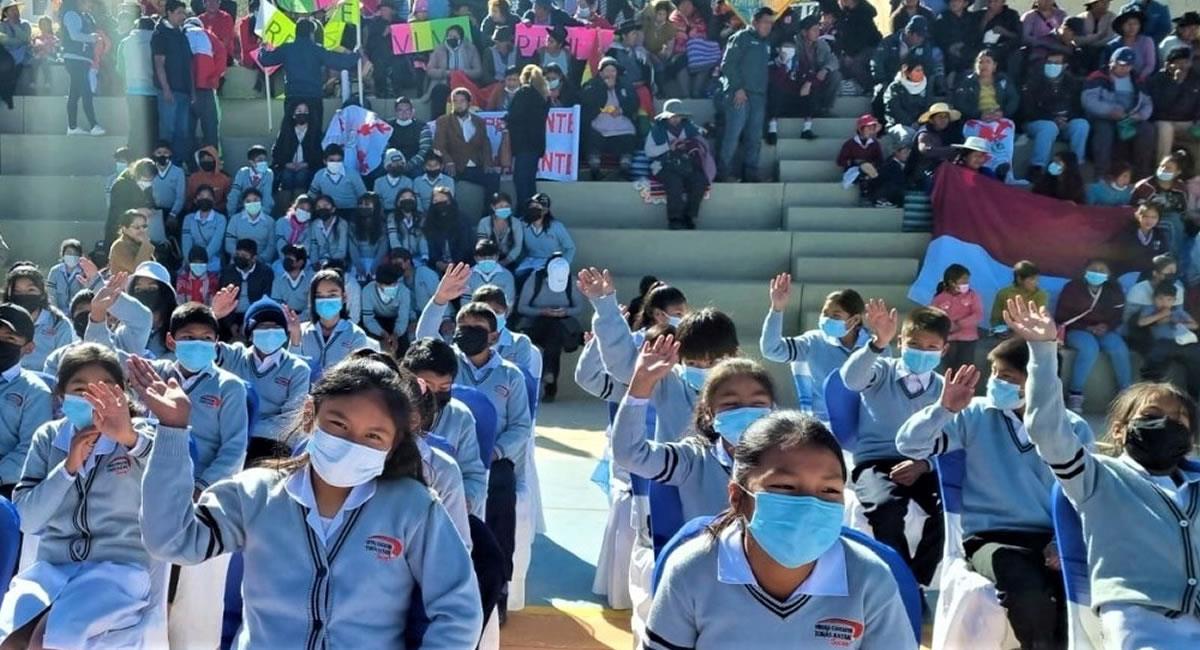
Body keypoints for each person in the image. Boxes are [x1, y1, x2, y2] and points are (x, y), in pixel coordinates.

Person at [137, 356, 483, 647]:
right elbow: (171, 540)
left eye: (373, 436)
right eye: (338, 424)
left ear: (392, 445)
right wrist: (172, 430)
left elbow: (459, 610)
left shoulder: (414, 508)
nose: (352, 443)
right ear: (309, 416)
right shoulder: (256, 493)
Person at [1006, 297, 1200, 648]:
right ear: (1121, 429)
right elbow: (1048, 429)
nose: (1166, 424)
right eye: (1152, 414)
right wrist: (1043, 351)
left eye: (1178, 421)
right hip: (1142, 622)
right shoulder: (1097, 480)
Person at [646, 409, 915, 649]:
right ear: (737, 497)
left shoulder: (869, 578)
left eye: (829, 490)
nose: (810, 506)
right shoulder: (693, 570)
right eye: (785, 487)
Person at [896, 340, 1094, 649]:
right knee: (1026, 591)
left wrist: (1060, 542)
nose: (997, 383)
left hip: (1050, 537)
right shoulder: (974, 414)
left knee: (1079, 596)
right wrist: (943, 409)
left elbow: (1082, 498)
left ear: (1041, 382)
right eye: (995, 373)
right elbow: (909, 445)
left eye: (1009, 378)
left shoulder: (1073, 428)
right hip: (991, 537)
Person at [0, 343, 156, 647]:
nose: (92, 397)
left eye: (105, 387)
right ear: (62, 395)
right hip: (53, 568)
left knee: (50, 640)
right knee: (10, 639)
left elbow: (173, 476)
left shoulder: (141, 435)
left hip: (116, 571)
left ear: (122, 393)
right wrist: (68, 468)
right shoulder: (48, 438)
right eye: (80, 388)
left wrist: (127, 437)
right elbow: (28, 520)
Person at [414, 265, 533, 609]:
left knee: (500, 489)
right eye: (463, 328)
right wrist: (439, 300)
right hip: (443, 449)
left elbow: (521, 427)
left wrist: (495, 451)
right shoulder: (448, 364)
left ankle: (498, 581)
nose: (468, 335)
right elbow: (423, 338)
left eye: (478, 330)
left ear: (494, 336)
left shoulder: (510, 376)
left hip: (491, 456)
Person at [839, 299, 947, 588]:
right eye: (914, 343)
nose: (921, 352)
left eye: (931, 347)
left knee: (948, 512)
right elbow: (850, 379)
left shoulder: (943, 389)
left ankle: (915, 581)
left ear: (943, 350)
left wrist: (925, 464)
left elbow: (954, 439)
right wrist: (877, 343)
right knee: (886, 509)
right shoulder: (882, 370)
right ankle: (900, 580)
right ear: (900, 342)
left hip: (922, 465)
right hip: (876, 462)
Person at [615, 336, 776, 522]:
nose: (745, 412)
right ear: (709, 412)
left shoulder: (793, 456)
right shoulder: (693, 459)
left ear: (772, 408)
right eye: (731, 404)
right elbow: (630, 454)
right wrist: (641, 384)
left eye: (757, 404)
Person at [760, 274, 866, 423]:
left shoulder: (874, 346)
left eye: (835, 315)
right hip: (823, 424)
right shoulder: (813, 341)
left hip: (864, 425)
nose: (827, 319)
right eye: (825, 313)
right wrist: (777, 309)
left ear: (854, 320)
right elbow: (772, 350)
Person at [400, 337, 487, 518]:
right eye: (426, 386)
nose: (433, 395)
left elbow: (474, 477)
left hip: (446, 511)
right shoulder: (390, 411)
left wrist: (466, 501)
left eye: (444, 387)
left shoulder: (460, 417)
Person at [1056, 259, 1133, 413]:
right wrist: (1087, 327)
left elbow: (1118, 315)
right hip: (1077, 329)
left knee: (1118, 347)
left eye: (1102, 270)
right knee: (1089, 348)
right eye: (1093, 269)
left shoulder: (1114, 289)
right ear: (1085, 271)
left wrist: (1107, 326)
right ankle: (1075, 394)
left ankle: (1127, 394)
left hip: (1103, 329)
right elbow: (1061, 316)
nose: (1097, 272)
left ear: (1109, 274)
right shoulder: (1072, 288)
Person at [256, 17, 359, 131]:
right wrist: (356, 54)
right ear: (311, 34)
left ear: (296, 32)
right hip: (313, 97)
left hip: (293, 97)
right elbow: (340, 62)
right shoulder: (317, 50)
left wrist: (263, 48)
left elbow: (265, 60)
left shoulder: (286, 49)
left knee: (290, 134)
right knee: (313, 135)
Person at [515, 254, 581, 401]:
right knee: (552, 332)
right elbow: (522, 307)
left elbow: (578, 307)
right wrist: (542, 311)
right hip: (536, 323)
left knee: (555, 333)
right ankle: (549, 379)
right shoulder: (535, 279)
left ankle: (549, 379)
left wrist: (565, 312)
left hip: (560, 324)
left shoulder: (571, 281)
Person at [717, 8, 773, 183]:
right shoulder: (741, 37)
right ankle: (722, 174)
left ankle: (750, 174)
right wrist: (738, 88)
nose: (769, 26)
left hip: (758, 96)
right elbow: (727, 64)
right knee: (733, 135)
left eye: (771, 23)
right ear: (755, 22)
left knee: (755, 138)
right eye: (765, 22)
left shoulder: (767, 43)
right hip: (739, 94)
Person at [1086, 47, 1157, 180]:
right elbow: (1089, 100)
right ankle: (1101, 174)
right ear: (1112, 62)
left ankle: (1141, 175)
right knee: (1104, 131)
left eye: (1128, 65)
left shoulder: (1138, 80)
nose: (1125, 68)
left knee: (1147, 129)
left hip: (1130, 118)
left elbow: (1147, 103)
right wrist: (1109, 111)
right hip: (1104, 118)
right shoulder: (1098, 77)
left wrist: (1140, 115)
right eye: (1121, 64)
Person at [288, 268, 369, 375]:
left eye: (332, 295)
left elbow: (357, 377)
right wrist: (295, 339)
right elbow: (290, 371)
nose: (326, 300)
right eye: (319, 296)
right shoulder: (301, 331)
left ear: (344, 297)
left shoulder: (356, 335)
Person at [1023, 50, 1089, 174]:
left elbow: (1078, 108)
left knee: (1081, 125)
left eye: (1057, 63)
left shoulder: (1072, 83)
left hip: (1064, 124)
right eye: (1049, 62)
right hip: (1037, 123)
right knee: (1049, 127)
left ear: (1065, 66)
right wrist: (1052, 119)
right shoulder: (1034, 81)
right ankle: (1037, 168)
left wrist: (1067, 119)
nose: (1052, 66)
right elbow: (1028, 110)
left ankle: (1075, 167)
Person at [645, 98, 706, 230]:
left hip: (686, 163)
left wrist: (689, 145)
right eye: (672, 116)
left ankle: (689, 216)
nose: (676, 119)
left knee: (700, 180)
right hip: (663, 165)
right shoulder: (656, 130)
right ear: (666, 116)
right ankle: (675, 219)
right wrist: (668, 147)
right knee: (674, 183)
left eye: (678, 116)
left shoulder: (689, 127)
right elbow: (649, 151)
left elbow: (700, 142)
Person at [1132, 280, 1200, 394]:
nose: (1164, 303)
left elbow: (1195, 325)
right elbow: (1141, 322)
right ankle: (1151, 390)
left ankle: (1194, 395)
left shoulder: (1177, 312)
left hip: (1180, 343)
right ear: (1154, 299)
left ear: (1173, 301)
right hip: (1161, 343)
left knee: (1196, 357)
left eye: (1169, 300)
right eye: (1161, 299)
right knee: (1157, 358)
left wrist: (1177, 322)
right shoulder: (1150, 309)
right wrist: (1160, 315)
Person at [5, 265, 77, 372]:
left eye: (31, 290)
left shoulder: (59, 323)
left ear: (42, 293)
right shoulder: (3, 322)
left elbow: (65, 365)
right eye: (17, 292)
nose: (24, 295)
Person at [580, 56, 639, 181]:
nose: (610, 74)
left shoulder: (625, 85)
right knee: (592, 135)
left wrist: (622, 109)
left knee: (629, 135)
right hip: (599, 121)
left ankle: (625, 167)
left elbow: (634, 102)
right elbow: (587, 101)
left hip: (620, 122)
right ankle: (594, 167)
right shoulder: (591, 85)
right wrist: (603, 87)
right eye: (607, 70)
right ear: (600, 72)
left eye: (613, 71)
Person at [433, 87, 500, 198]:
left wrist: (488, 163)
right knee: (444, 183)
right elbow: (439, 145)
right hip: (455, 166)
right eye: (455, 101)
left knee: (493, 178)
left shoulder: (479, 121)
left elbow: (485, 144)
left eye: (462, 101)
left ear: (469, 103)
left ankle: (489, 212)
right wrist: (448, 162)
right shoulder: (443, 121)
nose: (458, 104)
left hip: (475, 165)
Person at [152, 1, 192, 162]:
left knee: (182, 131)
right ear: (168, 12)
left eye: (184, 12)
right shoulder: (160, 34)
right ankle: (164, 164)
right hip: (168, 91)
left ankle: (178, 165)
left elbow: (188, 64)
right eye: (179, 12)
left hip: (184, 90)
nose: (182, 16)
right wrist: (166, 88)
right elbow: (159, 63)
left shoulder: (181, 33)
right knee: (167, 130)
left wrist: (192, 91)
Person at [507, 64, 549, 215]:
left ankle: (523, 211)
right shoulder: (544, 97)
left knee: (521, 180)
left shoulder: (524, 92)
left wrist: (506, 119)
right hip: (537, 145)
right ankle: (533, 211)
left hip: (523, 143)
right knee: (530, 181)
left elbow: (515, 115)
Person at [57, 0, 105, 136]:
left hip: (80, 59)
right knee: (86, 91)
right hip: (75, 58)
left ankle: (72, 127)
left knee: (74, 93)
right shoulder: (72, 14)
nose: (90, 4)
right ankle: (93, 125)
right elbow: (74, 35)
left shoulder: (80, 15)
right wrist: (92, 38)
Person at [1147, 47, 1200, 164]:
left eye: (1186, 62)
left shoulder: (1196, 79)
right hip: (1164, 121)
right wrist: (1175, 83)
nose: (1182, 66)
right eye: (1178, 62)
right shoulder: (1158, 80)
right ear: (1168, 64)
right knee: (1165, 128)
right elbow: (1160, 106)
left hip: (1188, 122)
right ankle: (1161, 169)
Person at [184, 16, 227, 152]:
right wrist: (214, 78)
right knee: (210, 130)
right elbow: (221, 54)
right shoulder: (208, 35)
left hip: (183, 90)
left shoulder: (179, 34)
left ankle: (189, 165)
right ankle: (213, 164)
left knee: (186, 131)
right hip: (205, 88)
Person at [117, 17, 158, 155]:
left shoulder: (125, 42)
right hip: (153, 91)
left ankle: (134, 159)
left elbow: (120, 68)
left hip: (133, 91)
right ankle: (151, 158)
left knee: (135, 125)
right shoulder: (156, 41)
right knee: (153, 127)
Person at [931, 264, 982, 371]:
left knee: (965, 370)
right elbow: (934, 316)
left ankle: (964, 388)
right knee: (948, 370)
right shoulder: (939, 298)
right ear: (952, 282)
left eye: (967, 281)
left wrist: (960, 323)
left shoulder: (972, 296)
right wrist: (948, 326)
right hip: (948, 339)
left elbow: (978, 315)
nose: (966, 284)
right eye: (963, 281)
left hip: (968, 339)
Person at [517, 192, 575, 282]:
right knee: (519, 275)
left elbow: (570, 248)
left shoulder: (556, 226)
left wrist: (562, 265)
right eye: (532, 206)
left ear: (545, 210)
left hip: (550, 262)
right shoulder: (521, 224)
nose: (533, 209)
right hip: (530, 261)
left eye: (537, 207)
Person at [426, 24, 483, 115]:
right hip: (444, 82)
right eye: (449, 36)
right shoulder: (439, 49)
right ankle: (437, 121)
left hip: (465, 83)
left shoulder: (470, 49)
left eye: (455, 36)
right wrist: (446, 73)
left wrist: (462, 73)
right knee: (439, 91)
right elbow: (430, 70)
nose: (452, 38)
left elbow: (478, 71)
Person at [271, 101, 323, 200]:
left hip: (308, 166)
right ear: (293, 114)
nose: (302, 114)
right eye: (299, 111)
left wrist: (306, 164)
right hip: (287, 166)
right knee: (286, 177)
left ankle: (300, 206)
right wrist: (286, 164)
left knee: (301, 176)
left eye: (305, 111)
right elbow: (276, 152)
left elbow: (319, 154)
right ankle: (285, 210)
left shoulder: (315, 132)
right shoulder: (285, 131)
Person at [950, 48, 1018, 125]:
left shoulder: (1003, 80)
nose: (984, 65)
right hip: (976, 120)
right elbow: (961, 103)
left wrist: (1002, 113)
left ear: (994, 66)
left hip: (1000, 119)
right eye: (980, 62)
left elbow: (1013, 99)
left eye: (988, 62)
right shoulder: (967, 82)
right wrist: (979, 115)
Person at [218, 239, 273, 328]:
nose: (240, 258)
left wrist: (250, 323)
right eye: (237, 254)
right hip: (230, 316)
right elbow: (223, 300)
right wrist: (231, 325)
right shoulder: (227, 272)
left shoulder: (265, 273)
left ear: (254, 258)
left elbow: (265, 301)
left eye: (244, 256)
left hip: (255, 316)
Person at [883, 60, 935, 143]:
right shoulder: (895, 87)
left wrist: (921, 122)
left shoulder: (927, 86)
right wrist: (910, 123)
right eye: (917, 70)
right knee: (907, 135)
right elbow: (894, 108)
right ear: (908, 73)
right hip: (898, 124)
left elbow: (929, 106)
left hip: (921, 123)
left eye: (922, 70)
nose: (921, 73)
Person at [181, 184, 228, 274]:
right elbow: (186, 242)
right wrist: (190, 261)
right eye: (201, 196)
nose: (205, 199)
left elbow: (216, 242)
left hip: (213, 262)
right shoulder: (188, 219)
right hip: (191, 262)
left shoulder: (221, 219)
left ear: (214, 200)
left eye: (209, 196)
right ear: (195, 200)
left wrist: (202, 262)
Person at [149, 140, 187, 246]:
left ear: (170, 154)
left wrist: (173, 214)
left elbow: (180, 196)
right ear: (154, 154)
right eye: (159, 153)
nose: (162, 155)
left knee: (173, 243)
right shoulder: (150, 170)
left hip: (174, 213)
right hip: (155, 212)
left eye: (165, 152)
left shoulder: (178, 172)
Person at [990, 260, 1048, 329]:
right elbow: (995, 319)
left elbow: (1040, 317)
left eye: (1037, 279)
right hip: (1006, 332)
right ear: (1019, 279)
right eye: (1032, 279)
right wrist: (999, 331)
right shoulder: (1003, 293)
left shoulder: (1040, 294)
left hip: (1031, 333)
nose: (1036, 283)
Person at [1105, 6, 1157, 82]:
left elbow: (1150, 65)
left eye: (1135, 23)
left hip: (1141, 81)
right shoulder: (1112, 45)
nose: (1132, 27)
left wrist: (1139, 79)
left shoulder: (1147, 41)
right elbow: (1107, 67)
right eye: (1128, 23)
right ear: (1121, 26)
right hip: (1115, 81)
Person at [933, 0, 978, 87]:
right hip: (948, 52)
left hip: (967, 51)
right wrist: (949, 47)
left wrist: (963, 45)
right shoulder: (942, 18)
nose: (954, 3)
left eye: (958, 1)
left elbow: (975, 36)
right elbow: (938, 37)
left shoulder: (972, 18)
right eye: (952, 1)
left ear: (965, 3)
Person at [309, 144, 367, 211]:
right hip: (328, 211)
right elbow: (311, 195)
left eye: (339, 160)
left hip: (351, 211)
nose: (336, 163)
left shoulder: (353, 174)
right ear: (324, 161)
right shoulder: (319, 175)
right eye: (332, 160)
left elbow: (363, 196)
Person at [225, 187, 274, 266]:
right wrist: (242, 257)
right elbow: (229, 243)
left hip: (261, 262)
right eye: (248, 201)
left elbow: (271, 246)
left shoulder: (270, 221)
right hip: (238, 259)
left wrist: (258, 259)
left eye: (255, 200)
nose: (252, 203)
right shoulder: (235, 219)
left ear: (261, 201)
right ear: (243, 203)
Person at [386, 96, 433, 178]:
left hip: (415, 165)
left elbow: (425, 150)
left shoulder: (422, 126)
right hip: (392, 164)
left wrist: (408, 165)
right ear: (395, 112)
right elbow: (383, 148)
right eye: (400, 110)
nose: (403, 113)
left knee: (418, 174)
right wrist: (393, 164)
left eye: (407, 110)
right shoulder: (387, 126)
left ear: (412, 111)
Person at [0, 0, 32, 107]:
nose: (15, 12)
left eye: (16, 9)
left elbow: (26, 38)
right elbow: (4, 41)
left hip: (22, 59)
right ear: (6, 13)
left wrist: (14, 26)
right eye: (12, 10)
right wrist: (19, 42)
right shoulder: (2, 25)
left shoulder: (25, 24)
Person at [228, 144, 275, 218]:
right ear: (251, 162)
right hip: (242, 210)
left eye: (264, 160)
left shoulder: (268, 174)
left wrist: (264, 215)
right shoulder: (242, 172)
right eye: (260, 160)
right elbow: (234, 194)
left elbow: (267, 197)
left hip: (261, 211)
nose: (263, 162)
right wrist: (231, 216)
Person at [477, 192, 522, 266]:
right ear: (493, 207)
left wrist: (505, 262)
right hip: (488, 259)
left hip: (509, 260)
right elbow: (482, 246)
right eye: (501, 206)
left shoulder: (516, 223)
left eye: (507, 206)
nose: (504, 209)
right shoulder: (484, 222)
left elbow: (517, 247)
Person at [467, 240, 515, 307]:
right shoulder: (467, 276)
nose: (487, 260)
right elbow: (465, 302)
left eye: (491, 257)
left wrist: (499, 317)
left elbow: (509, 302)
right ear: (476, 258)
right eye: (483, 257)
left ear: (497, 257)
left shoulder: (507, 276)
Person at [46, 239, 89, 314]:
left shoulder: (85, 272)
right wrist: (57, 313)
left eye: (75, 253)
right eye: (69, 253)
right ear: (63, 255)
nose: (72, 256)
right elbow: (51, 294)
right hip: (58, 313)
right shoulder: (55, 271)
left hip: (78, 313)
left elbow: (87, 295)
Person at [108, 209, 156, 276]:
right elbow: (138, 270)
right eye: (137, 227)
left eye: (144, 226)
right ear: (124, 228)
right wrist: (146, 245)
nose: (142, 230)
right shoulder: (119, 245)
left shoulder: (139, 244)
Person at [270, 244, 312, 319]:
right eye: (286, 258)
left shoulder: (310, 279)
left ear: (300, 262)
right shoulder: (278, 280)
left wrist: (298, 319)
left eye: (290, 259)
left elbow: (312, 306)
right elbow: (276, 303)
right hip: (285, 318)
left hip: (307, 319)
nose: (286, 261)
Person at [187, 146, 231, 213]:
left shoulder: (224, 179)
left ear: (215, 160)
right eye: (203, 159)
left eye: (209, 158)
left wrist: (217, 208)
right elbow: (189, 199)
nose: (206, 160)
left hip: (218, 212)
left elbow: (228, 200)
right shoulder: (193, 178)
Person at [373, 149, 413, 219]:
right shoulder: (378, 182)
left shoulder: (408, 181)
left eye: (401, 164)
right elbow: (378, 201)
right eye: (395, 164)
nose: (398, 166)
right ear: (387, 166)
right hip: (384, 213)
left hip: (402, 213)